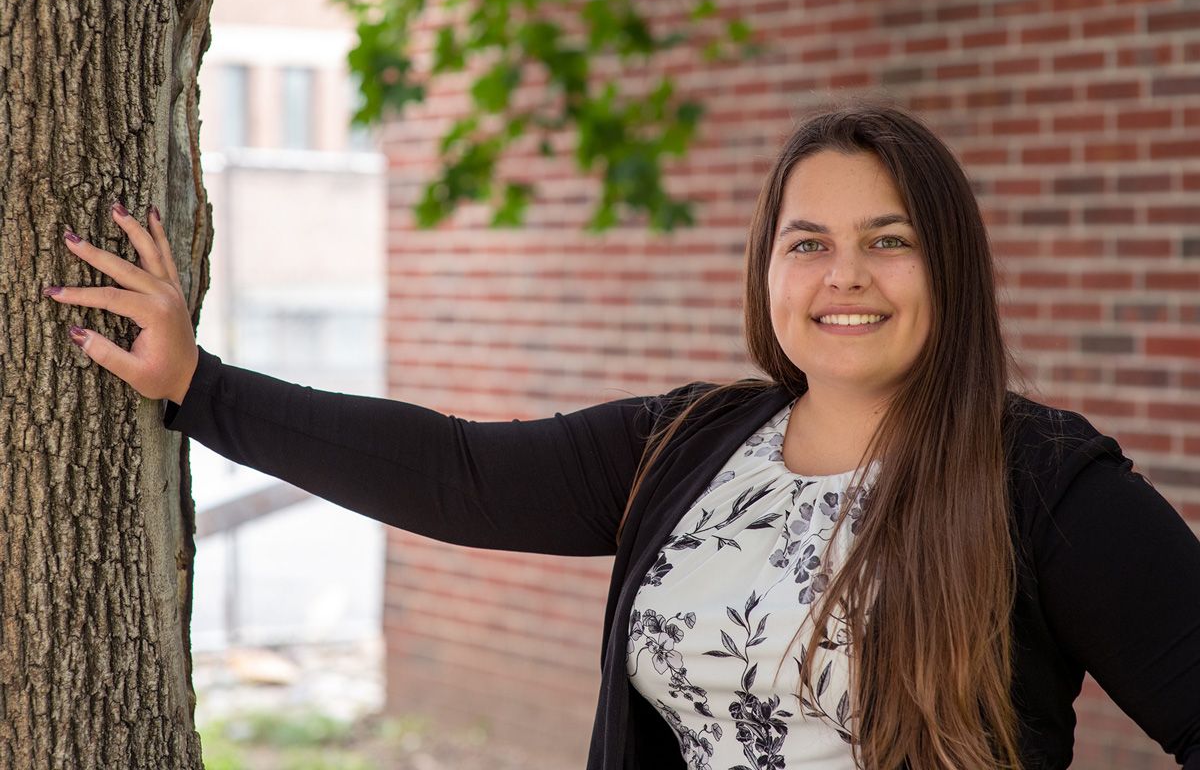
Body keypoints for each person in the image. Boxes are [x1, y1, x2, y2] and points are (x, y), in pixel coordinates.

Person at [43, 101, 1200, 770]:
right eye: (807, 242)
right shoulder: (691, 444)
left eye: (888, 241)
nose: (844, 275)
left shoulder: (1044, 484)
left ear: (951, 267)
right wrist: (199, 384)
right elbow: (457, 471)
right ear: (767, 270)